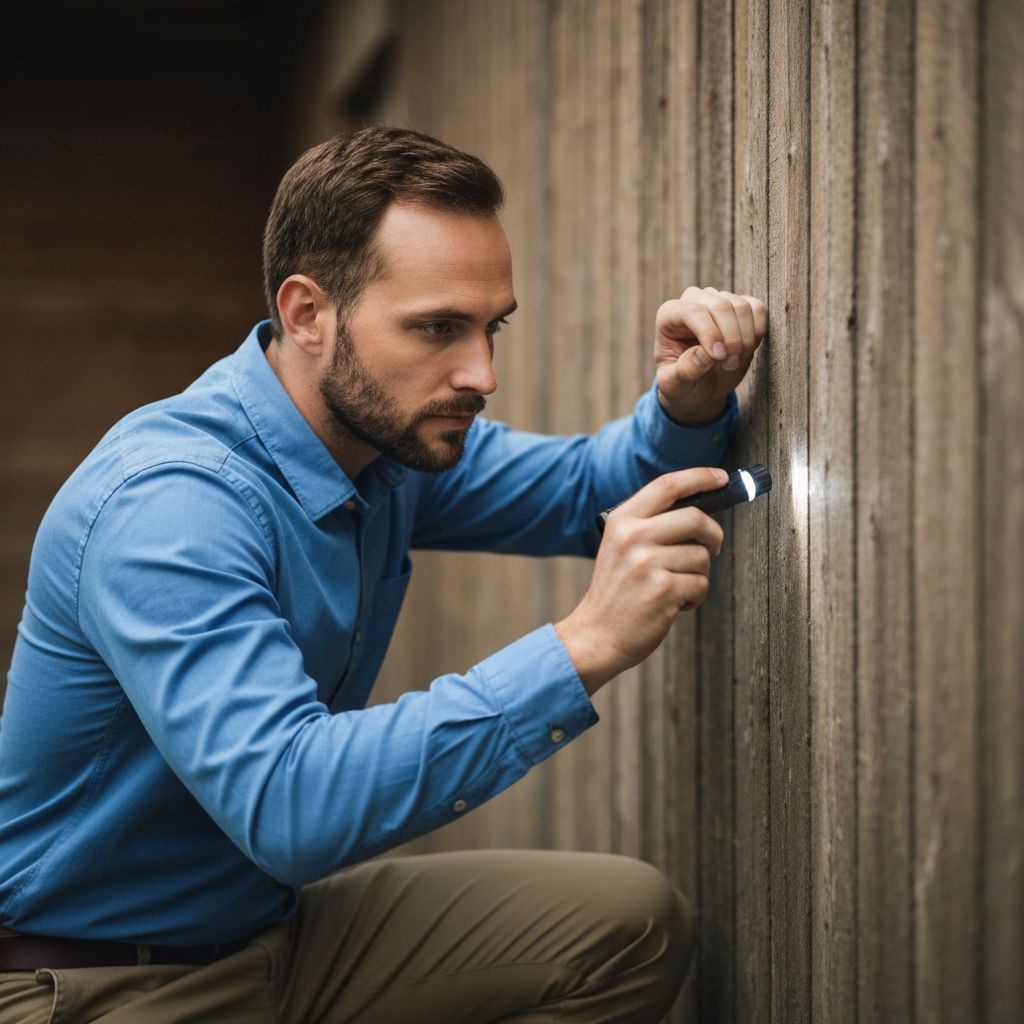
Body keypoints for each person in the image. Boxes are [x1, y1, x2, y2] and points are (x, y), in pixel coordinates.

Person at [0, 126, 765, 1023]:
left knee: (628, 927)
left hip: (272, 938)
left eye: (492, 328)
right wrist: (584, 645)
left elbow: (585, 496)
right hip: (98, 984)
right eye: (439, 328)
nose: (480, 373)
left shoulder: (381, 444)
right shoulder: (170, 509)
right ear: (307, 314)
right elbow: (291, 805)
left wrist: (687, 402)